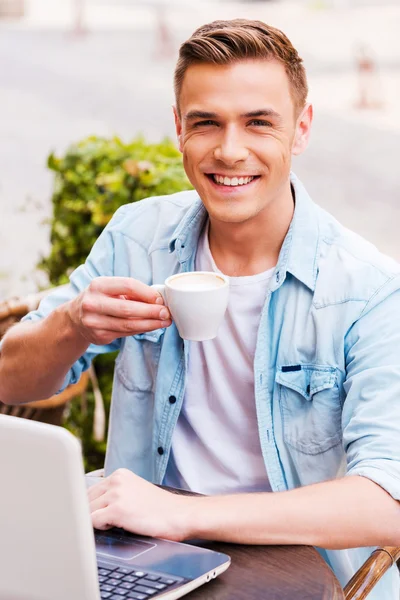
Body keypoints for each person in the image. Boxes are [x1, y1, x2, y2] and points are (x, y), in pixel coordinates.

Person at [1, 19, 400, 599]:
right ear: (178, 130)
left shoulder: (369, 290)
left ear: (301, 128)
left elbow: (386, 502)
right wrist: (72, 323)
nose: (229, 150)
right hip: (139, 553)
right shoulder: (137, 238)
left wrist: (181, 514)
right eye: (205, 122)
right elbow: (12, 379)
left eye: (259, 122)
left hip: (298, 580)